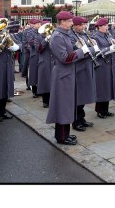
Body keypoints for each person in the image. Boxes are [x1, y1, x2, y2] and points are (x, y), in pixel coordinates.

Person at [46, 11, 90, 145]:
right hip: (62, 75)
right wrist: (82, 51)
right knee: (63, 106)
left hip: (67, 74)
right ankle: (62, 137)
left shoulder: (64, 35)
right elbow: (65, 57)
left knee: (67, 105)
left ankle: (65, 134)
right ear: (63, 22)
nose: (72, 23)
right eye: (70, 21)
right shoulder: (58, 36)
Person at [68, 16, 98, 131]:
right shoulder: (71, 36)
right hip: (79, 68)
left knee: (84, 95)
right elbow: (75, 51)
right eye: (81, 25)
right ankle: (76, 121)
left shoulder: (84, 34)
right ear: (74, 25)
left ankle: (82, 118)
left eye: (84, 24)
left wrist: (93, 46)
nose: (83, 27)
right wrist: (92, 49)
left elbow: (88, 47)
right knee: (78, 96)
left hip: (87, 66)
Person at [0, 15, 19, 122]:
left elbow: (18, 45)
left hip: (7, 65)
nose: (3, 26)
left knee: (5, 89)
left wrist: (14, 46)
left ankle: (2, 111)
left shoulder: (7, 34)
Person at [92, 17, 115, 118]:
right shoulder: (95, 37)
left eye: (107, 25)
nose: (107, 27)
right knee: (101, 88)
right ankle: (99, 110)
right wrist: (108, 48)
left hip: (109, 63)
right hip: (101, 65)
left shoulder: (107, 35)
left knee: (108, 87)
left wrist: (114, 45)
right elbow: (96, 51)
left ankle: (106, 109)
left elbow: (112, 47)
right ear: (99, 27)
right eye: (105, 25)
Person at [36, 22, 53, 108]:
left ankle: (53, 101)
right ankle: (45, 101)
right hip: (44, 61)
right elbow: (38, 49)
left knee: (52, 82)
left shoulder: (53, 35)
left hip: (52, 61)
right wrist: (45, 40)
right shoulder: (38, 37)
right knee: (45, 82)